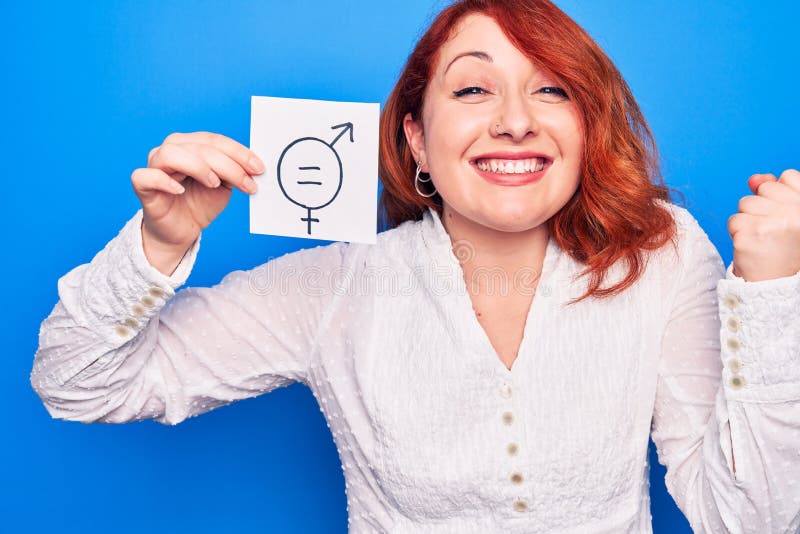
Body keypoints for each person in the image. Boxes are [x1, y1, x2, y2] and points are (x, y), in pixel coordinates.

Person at [30, 0, 800, 532]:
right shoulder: (333, 286)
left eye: (551, 89)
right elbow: (75, 384)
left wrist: (773, 295)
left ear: (585, 128)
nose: (515, 119)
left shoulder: (658, 255)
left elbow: (753, 522)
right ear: (416, 142)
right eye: (472, 88)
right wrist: (158, 246)